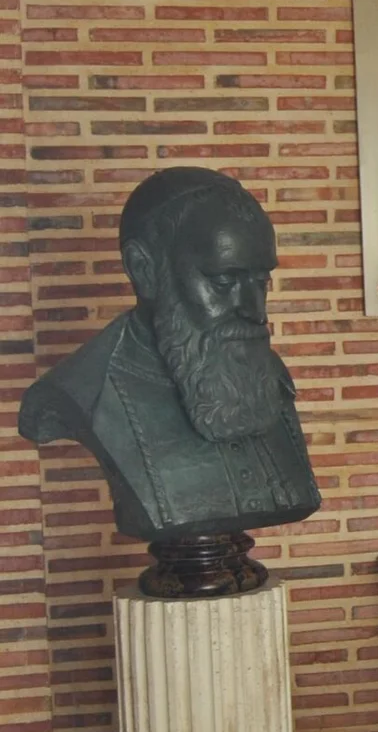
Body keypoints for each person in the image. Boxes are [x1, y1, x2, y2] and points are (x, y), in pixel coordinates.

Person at [18, 167, 320, 544]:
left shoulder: (266, 372)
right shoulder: (82, 391)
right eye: (224, 282)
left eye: (262, 282)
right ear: (143, 269)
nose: (256, 311)